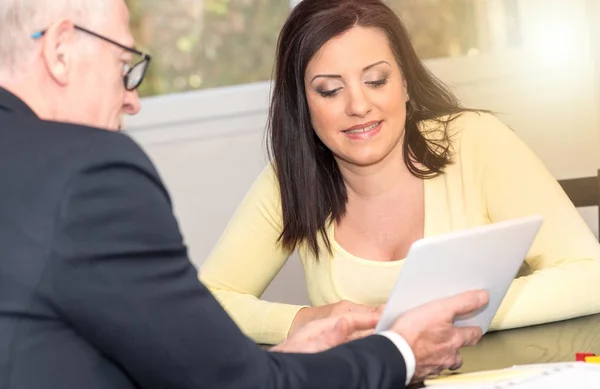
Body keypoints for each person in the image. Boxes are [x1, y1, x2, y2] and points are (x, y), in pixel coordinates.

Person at [0, 0, 489, 388]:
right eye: (123, 65)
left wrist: (281, 361)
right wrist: (401, 351)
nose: (132, 98)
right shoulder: (89, 174)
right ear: (60, 49)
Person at [200, 0, 600, 346]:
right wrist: (302, 321)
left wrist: (454, 316)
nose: (359, 105)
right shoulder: (288, 179)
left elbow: (590, 276)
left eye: (376, 80)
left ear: (405, 83)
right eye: (329, 90)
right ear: (303, 105)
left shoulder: (475, 141)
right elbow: (208, 301)